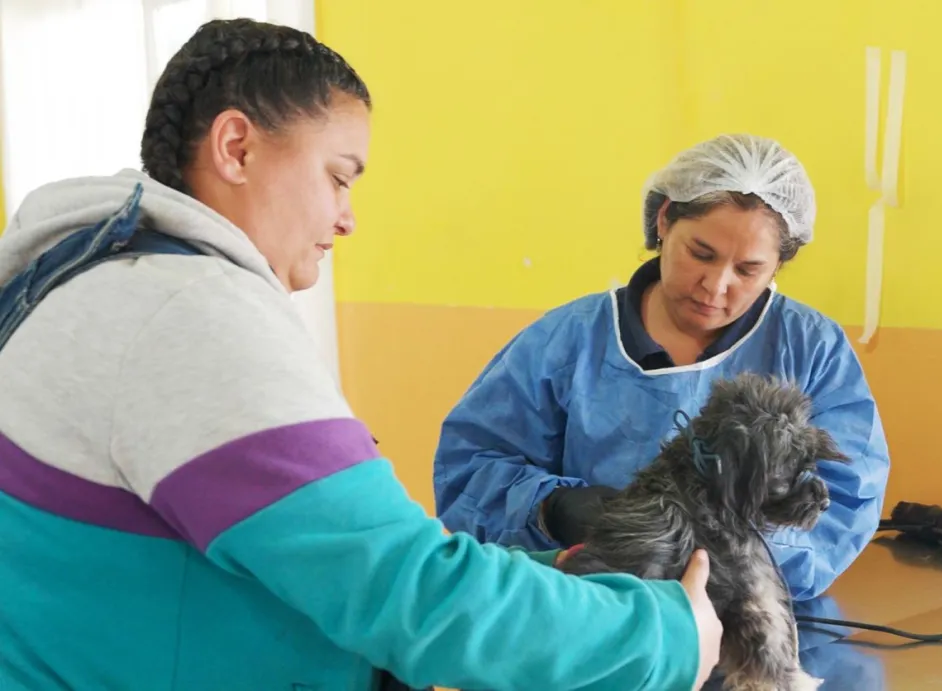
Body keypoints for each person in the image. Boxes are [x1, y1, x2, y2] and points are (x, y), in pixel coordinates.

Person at [0, 18, 723, 691]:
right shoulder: (190, 315)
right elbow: (410, 593)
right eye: (338, 177)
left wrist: (555, 576)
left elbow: (307, 558)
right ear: (236, 147)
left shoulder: (90, 276)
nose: (346, 218)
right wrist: (660, 636)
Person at [433, 133, 891, 602]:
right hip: (588, 604)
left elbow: (844, 503)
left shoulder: (811, 350)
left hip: (745, 612)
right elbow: (472, 464)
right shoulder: (568, 341)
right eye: (701, 254)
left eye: (747, 270)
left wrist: (718, 559)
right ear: (664, 219)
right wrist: (553, 507)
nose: (716, 286)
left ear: (779, 264)